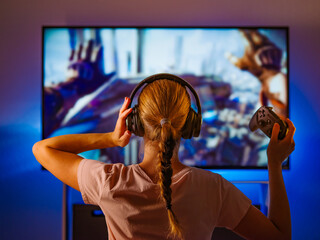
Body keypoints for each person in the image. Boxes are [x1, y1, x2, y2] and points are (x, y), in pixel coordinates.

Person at [33, 74, 295, 240]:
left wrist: (110, 138)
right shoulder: (215, 189)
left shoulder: (107, 182)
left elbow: (42, 149)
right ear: (190, 124)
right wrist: (274, 163)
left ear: (134, 123)